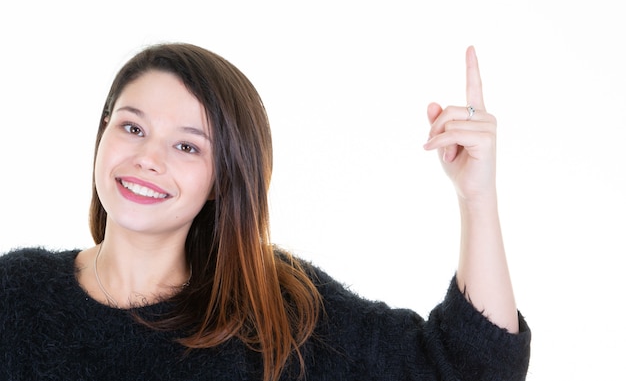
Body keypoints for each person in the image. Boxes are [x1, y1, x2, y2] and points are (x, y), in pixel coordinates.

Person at [0, 43, 531, 380]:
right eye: (133, 127)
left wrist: (476, 197)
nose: (147, 159)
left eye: (188, 146)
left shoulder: (274, 307)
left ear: (221, 180)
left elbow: (471, 370)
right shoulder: (16, 292)